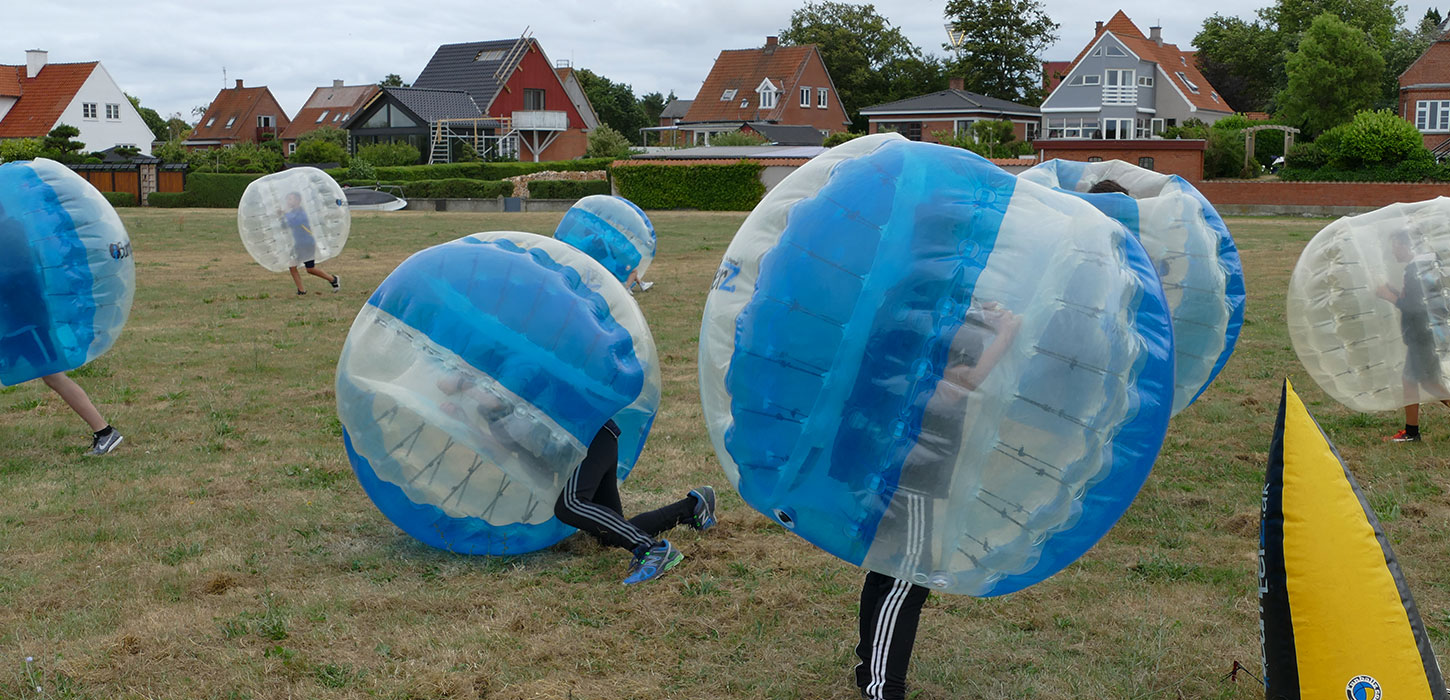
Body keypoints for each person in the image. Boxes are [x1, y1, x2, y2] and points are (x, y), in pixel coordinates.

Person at [855, 301, 1020, 700]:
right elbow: (963, 383)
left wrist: (989, 317)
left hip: (898, 473)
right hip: (912, 482)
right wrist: (1006, 334)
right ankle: (882, 687)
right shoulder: (934, 360)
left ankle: (869, 664)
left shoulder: (920, 317)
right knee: (908, 580)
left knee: (885, 570)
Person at [437, 373, 715, 584]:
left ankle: (651, 550)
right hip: (581, 451)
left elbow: (500, 398)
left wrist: (460, 383)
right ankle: (692, 508)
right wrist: (462, 418)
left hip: (590, 437)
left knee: (570, 505)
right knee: (610, 532)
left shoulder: (508, 385)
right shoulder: (493, 416)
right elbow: (501, 448)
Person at [1, 216, 123, 456]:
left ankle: (105, 432)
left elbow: (15, 276)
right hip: (13, 323)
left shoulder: (10, 233)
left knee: (54, 377)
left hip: (28, 324)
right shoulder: (11, 227)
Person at [1376, 230, 1450, 442]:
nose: (1393, 251)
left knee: (1413, 380)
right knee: (1428, 383)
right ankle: (1411, 432)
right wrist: (1397, 292)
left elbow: (1414, 307)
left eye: (1396, 246)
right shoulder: (1424, 266)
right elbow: (1421, 300)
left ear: (1406, 246)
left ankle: (1411, 433)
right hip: (1427, 332)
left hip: (1422, 335)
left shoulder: (1414, 269)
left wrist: (1387, 295)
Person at [279, 192, 340, 295]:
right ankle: (301, 290)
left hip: (307, 244)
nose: (288, 201)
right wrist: (282, 217)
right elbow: (285, 225)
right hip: (298, 244)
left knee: (310, 269)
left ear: (298, 201)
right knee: (292, 265)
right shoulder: (292, 212)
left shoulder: (301, 213)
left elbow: (295, 221)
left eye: (291, 199)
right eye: (288, 199)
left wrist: (284, 214)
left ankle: (333, 279)